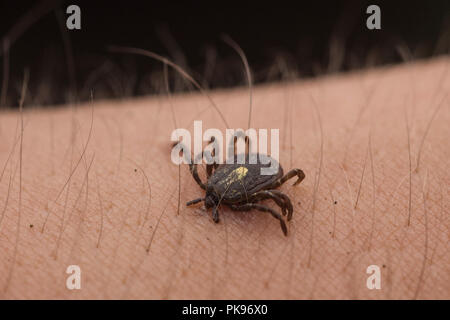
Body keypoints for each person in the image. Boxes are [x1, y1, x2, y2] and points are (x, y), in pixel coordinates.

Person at [0, 56, 448, 299]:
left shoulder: (230, 195)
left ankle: (286, 183)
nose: (208, 200)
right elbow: (227, 175)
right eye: (209, 199)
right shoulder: (218, 189)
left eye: (208, 197)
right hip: (260, 168)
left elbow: (266, 197)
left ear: (212, 189)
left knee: (271, 196)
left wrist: (259, 203)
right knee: (266, 186)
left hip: (259, 172)